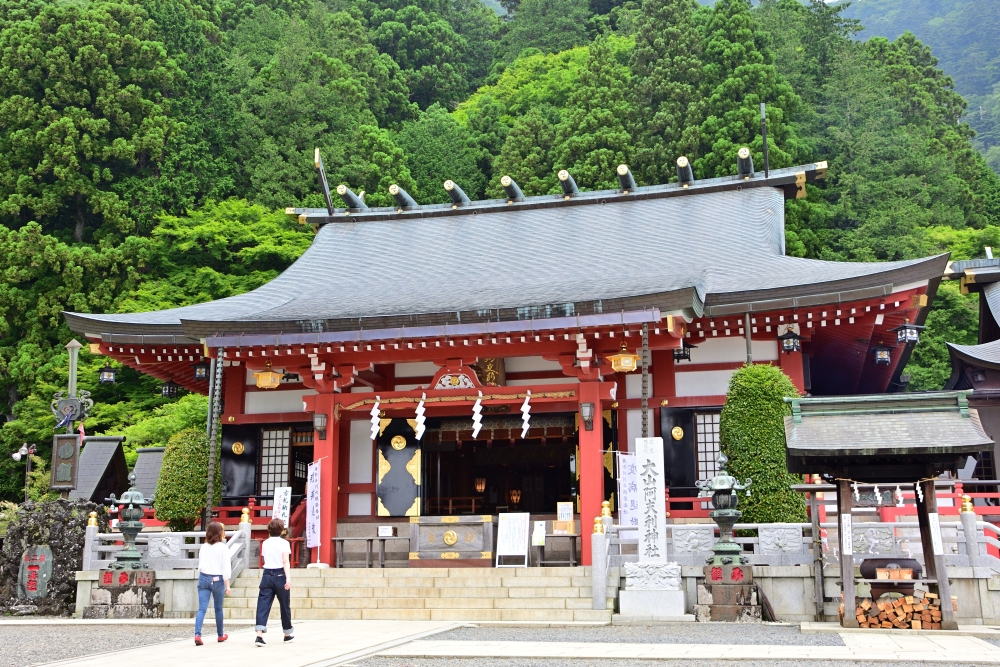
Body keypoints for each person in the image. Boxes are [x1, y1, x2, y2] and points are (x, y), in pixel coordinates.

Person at [254, 518, 293, 647]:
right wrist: (288, 579)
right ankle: (287, 633)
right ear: (281, 530)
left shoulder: (265, 543)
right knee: (284, 605)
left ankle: (259, 635)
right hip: (280, 574)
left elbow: (265, 558)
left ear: (269, 529)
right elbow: (285, 561)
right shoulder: (284, 543)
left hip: (267, 574)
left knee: (263, 604)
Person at [194, 521, 231, 645]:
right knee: (218, 609)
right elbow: (226, 567)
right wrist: (228, 585)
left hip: (203, 577)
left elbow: (200, 564)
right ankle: (220, 635)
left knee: (202, 609)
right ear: (220, 533)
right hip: (217, 579)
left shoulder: (204, 546)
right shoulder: (223, 547)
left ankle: (197, 634)